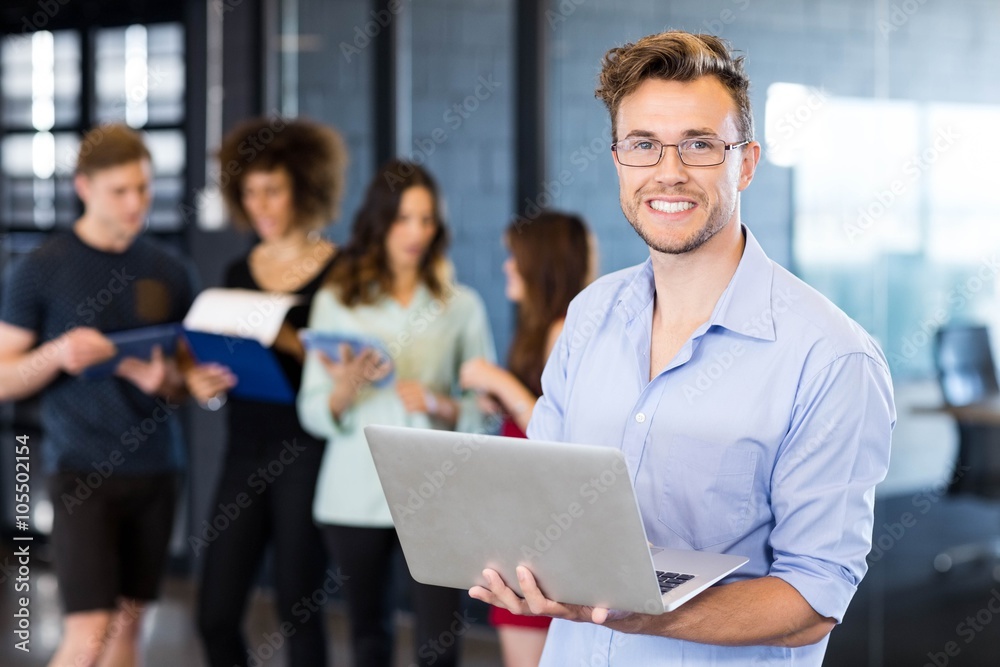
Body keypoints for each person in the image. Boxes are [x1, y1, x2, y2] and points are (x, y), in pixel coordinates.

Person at [470, 30, 896, 666]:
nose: (668, 171)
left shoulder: (831, 358)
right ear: (619, 160)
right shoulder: (588, 317)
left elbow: (813, 600)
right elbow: (544, 502)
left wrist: (652, 615)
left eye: (698, 145)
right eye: (643, 145)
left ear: (745, 162)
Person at [0, 124, 196, 667]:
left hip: (157, 468)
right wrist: (56, 355)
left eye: (144, 188)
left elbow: (187, 380)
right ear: (84, 188)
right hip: (81, 471)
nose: (136, 203)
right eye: (120, 191)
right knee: (88, 635)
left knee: (128, 634)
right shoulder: (38, 270)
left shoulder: (171, 271)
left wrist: (168, 383)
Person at [297, 159, 496, 667]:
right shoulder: (337, 301)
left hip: (437, 495)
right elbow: (313, 411)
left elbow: (487, 412)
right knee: (368, 638)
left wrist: (439, 402)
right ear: (380, 222)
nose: (416, 232)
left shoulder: (462, 306)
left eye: (426, 219)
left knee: (439, 645)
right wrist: (344, 387)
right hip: (352, 497)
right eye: (404, 218)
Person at [184, 116, 346, 667]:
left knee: (299, 609)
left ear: (303, 186)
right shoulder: (236, 268)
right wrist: (208, 384)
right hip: (243, 447)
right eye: (249, 193)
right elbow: (229, 365)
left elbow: (349, 361)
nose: (261, 205)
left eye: (272, 189)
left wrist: (282, 335)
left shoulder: (340, 271)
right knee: (214, 614)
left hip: (309, 451)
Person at [459, 211, 594, 667]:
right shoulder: (540, 328)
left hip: (543, 513)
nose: (506, 267)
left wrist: (497, 380)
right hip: (528, 505)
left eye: (514, 258)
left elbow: (556, 429)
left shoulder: (563, 328)